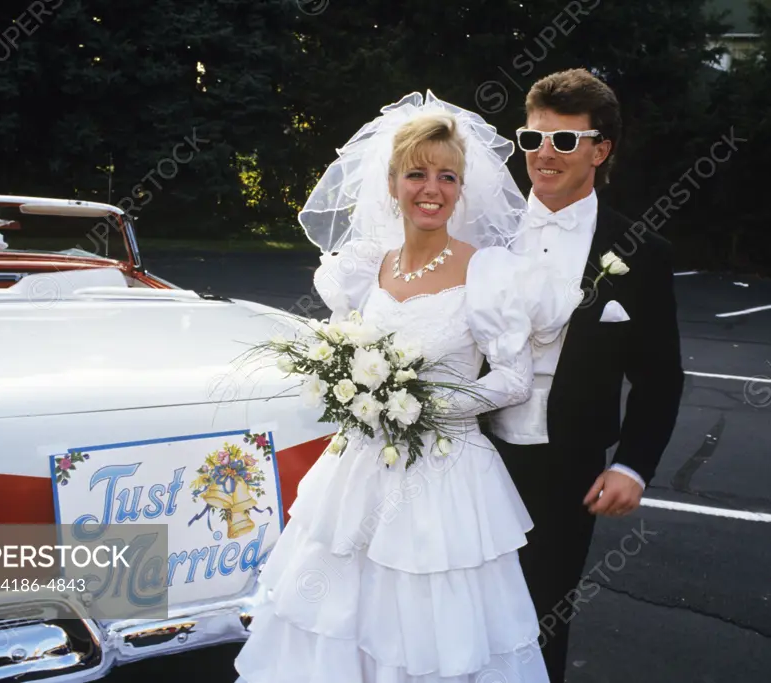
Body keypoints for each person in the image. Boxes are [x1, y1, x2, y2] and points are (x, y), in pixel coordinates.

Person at [234, 91, 575, 683]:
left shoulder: (488, 271)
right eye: (417, 174)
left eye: (447, 176)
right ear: (393, 182)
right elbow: (343, 346)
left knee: (429, 624)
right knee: (339, 614)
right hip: (359, 472)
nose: (432, 189)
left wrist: (424, 407)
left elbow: (514, 380)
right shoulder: (365, 266)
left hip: (445, 477)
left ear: (461, 187)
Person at [484, 68, 685, 680]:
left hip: (566, 464)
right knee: (462, 603)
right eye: (532, 139)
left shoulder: (640, 250)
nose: (544, 154)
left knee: (543, 612)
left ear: (601, 150)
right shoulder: (485, 232)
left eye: (565, 141)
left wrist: (632, 465)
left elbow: (660, 376)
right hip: (473, 450)